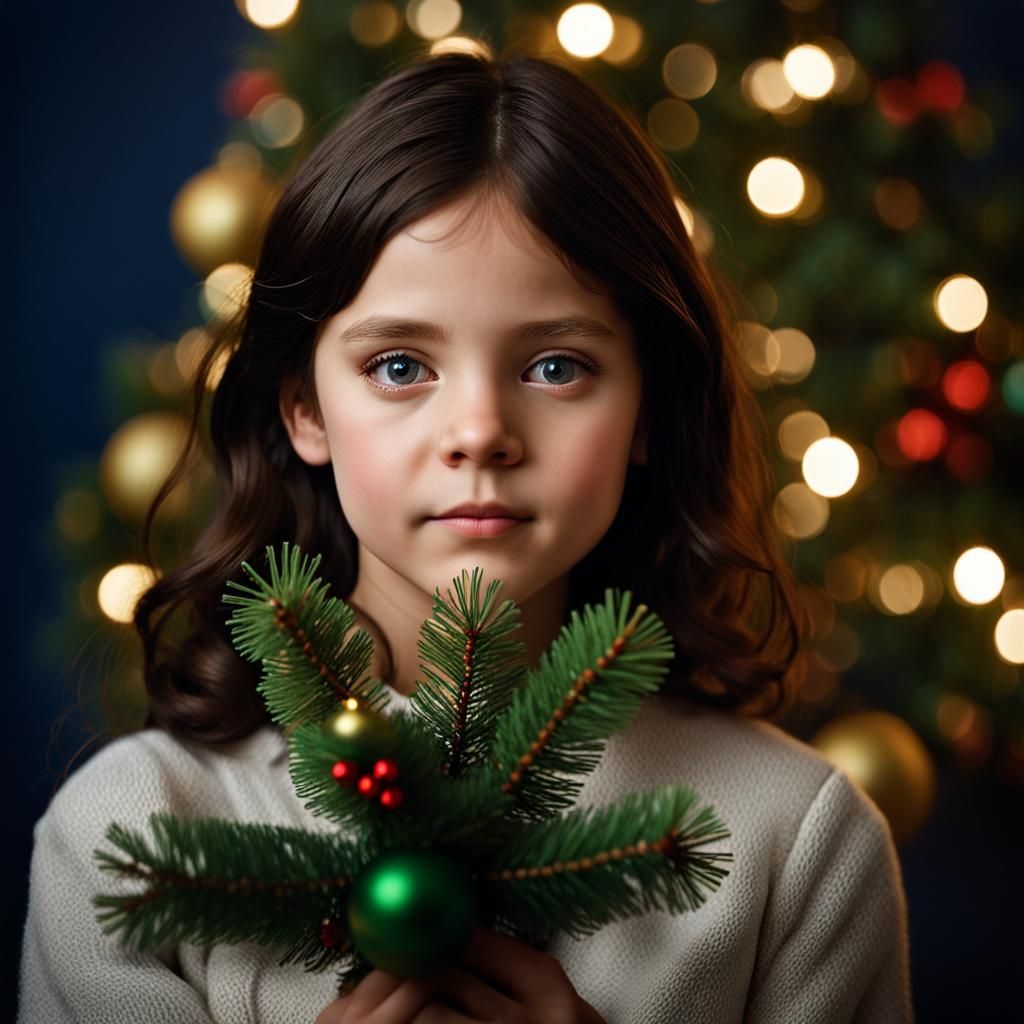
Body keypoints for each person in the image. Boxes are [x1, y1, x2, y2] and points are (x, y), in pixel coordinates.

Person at [17, 50, 913, 1023]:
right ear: (303, 407)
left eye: (557, 366)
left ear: (649, 406)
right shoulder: (131, 837)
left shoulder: (797, 842)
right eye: (401, 365)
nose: (480, 431)